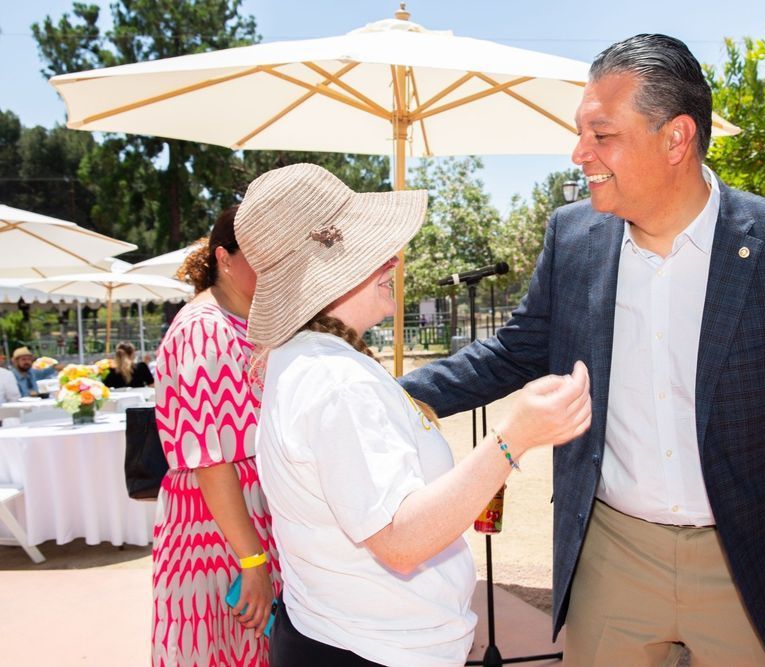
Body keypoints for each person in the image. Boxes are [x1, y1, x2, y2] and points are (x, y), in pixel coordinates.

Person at [401, 33, 765, 667]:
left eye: (602, 135)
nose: (580, 154)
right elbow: (512, 352)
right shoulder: (572, 238)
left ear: (676, 138)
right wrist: (380, 389)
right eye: (581, 133)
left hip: (751, 563)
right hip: (611, 554)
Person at [233, 163, 591, 666]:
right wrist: (513, 438)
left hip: (342, 637)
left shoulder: (312, 362)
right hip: (372, 650)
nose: (395, 260)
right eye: (376, 251)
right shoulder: (338, 382)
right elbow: (401, 540)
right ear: (332, 271)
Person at [153, 205, 280, 666]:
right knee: (221, 651)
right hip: (218, 532)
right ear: (224, 258)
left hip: (244, 524)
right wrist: (252, 561)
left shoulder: (244, 320)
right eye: (262, 256)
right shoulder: (204, 331)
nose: (275, 266)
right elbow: (210, 460)